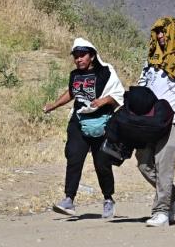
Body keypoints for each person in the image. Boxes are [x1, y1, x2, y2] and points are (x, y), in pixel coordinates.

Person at [44, 38, 124, 218]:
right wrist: (54, 105)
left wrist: (103, 101)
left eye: (82, 56)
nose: (79, 59)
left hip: (102, 121)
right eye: (76, 56)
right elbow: (72, 92)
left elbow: (118, 93)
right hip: (79, 120)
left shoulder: (106, 72)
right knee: (74, 157)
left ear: (92, 56)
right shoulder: (75, 75)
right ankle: (68, 199)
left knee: (101, 163)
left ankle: (108, 198)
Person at [135, 16, 175, 226]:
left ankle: (161, 212)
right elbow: (142, 87)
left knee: (164, 165)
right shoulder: (150, 60)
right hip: (150, 119)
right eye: (158, 32)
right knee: (144, 162)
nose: (161, 36)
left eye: (165, 32)